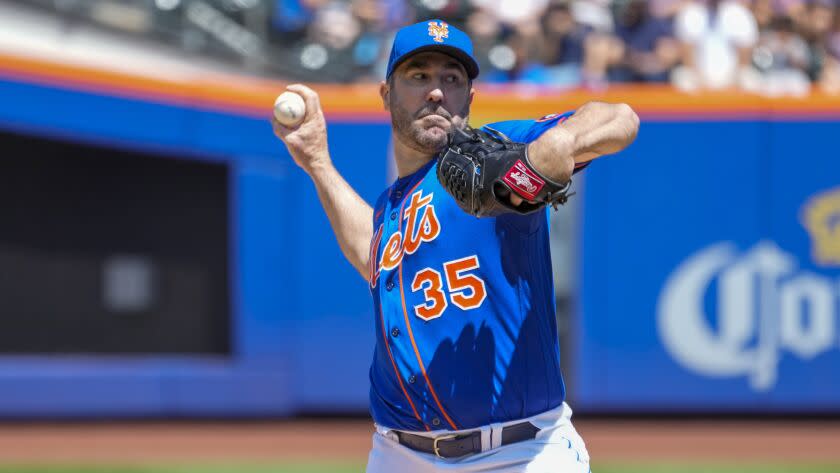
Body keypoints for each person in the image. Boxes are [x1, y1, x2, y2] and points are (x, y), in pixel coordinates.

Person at [272, 19, 638, 473]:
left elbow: (620, 119)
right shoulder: (393, 203)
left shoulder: (496, 150)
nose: (436, 91)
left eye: (452, 78)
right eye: (418, 76)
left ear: (469, 97)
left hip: (520, 453)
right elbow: (373, 253)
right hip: (398, 455)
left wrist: (547, 151)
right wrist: (318, 162)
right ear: (387, 95)